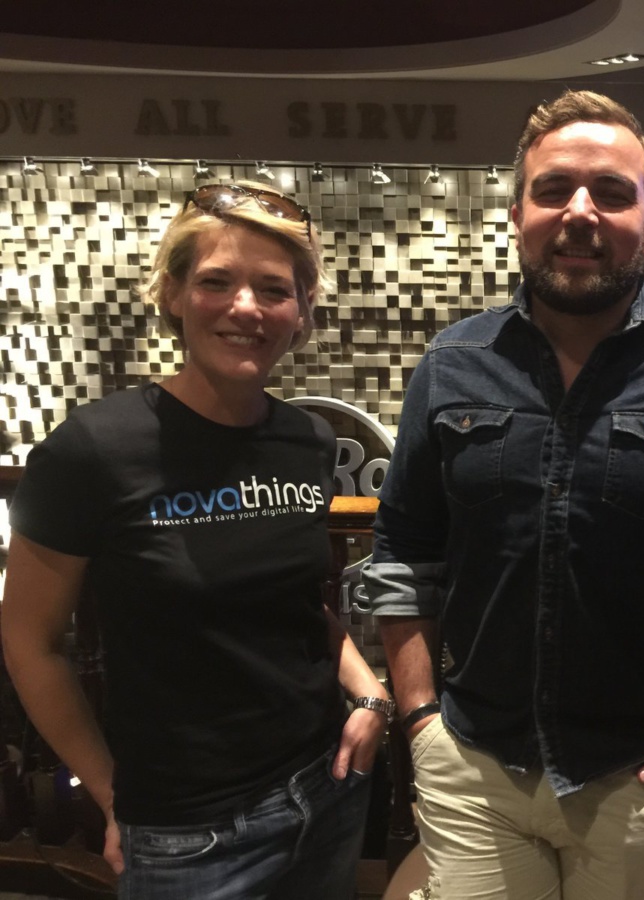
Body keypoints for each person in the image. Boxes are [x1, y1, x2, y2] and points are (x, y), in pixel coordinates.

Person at [364, 89, 644, 900]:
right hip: (474, 760)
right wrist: (420, 722)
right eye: (554, 189)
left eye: (612, 193)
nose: (580, 212)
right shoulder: (451, 365)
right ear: (517, 214)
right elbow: (404, 555)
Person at [2, 182, 390, 899]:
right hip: (187, 835)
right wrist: (112, 794)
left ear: (301, 311)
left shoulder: (307, 439)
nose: (246, 307)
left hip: (326, 791)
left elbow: (295, 608)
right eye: (216, 281)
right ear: (174, 293)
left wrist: (370, 697)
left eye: (274, 289)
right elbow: (31, 643)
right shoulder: (92, 449)